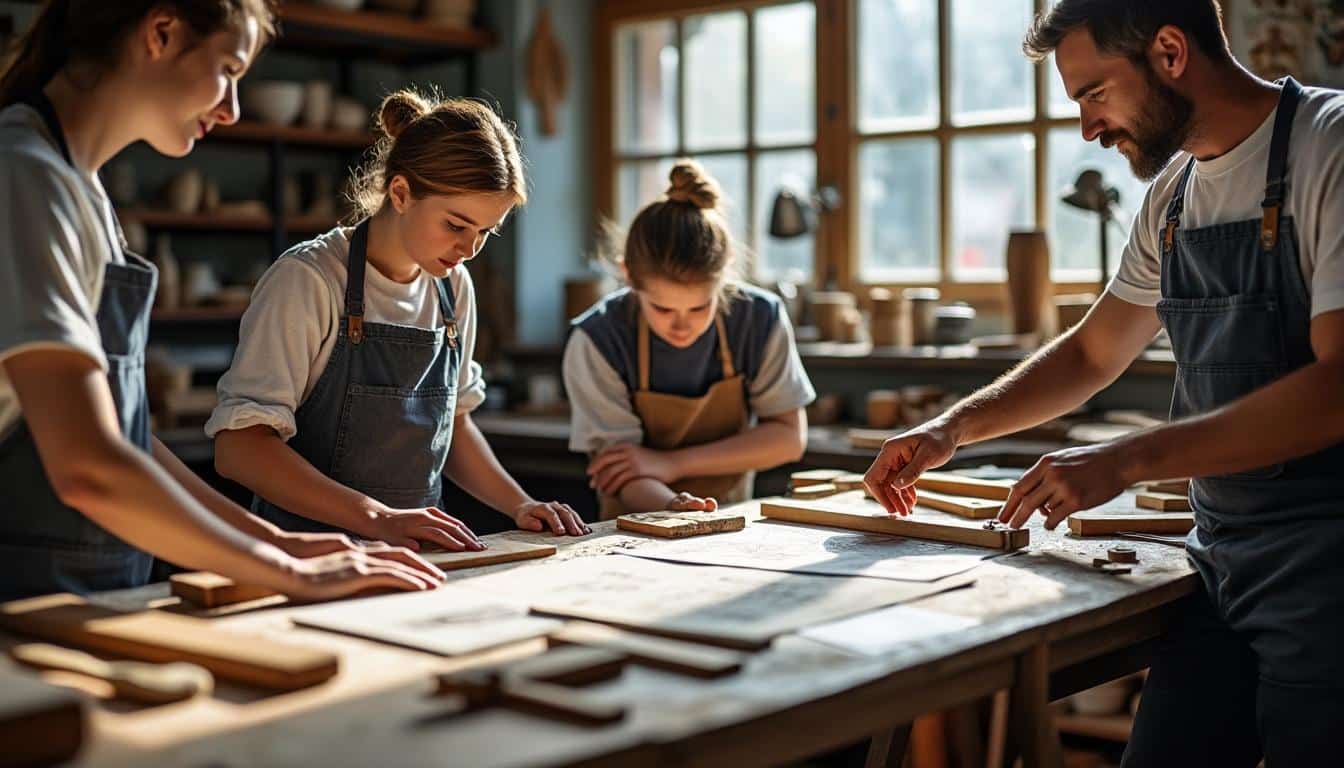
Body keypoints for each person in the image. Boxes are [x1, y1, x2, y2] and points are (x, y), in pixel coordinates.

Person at [863, 2, 1344, 765]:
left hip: (1327, 564)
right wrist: (951, 427)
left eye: (1094, 94)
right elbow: (1092, 353)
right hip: (1219, 558)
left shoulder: (1330, 146)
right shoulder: (1175, 194)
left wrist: (1125, 459)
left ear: (1170, 52)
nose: (1088, 128)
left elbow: (1335, 389)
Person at [0, 0, 446, 602]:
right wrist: (289, 574)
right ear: (160, 33)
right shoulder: (24, 176)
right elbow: (89, 467)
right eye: (229, 70)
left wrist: (282, 544)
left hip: (81, 594)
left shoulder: (80, 190)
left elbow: (127, 443)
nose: (232, 109)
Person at [209, 89, 590, 549]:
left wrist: (520, 504)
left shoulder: (453, 287)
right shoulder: (309, 279)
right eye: (456, 225)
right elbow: (240, 449)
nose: (469, 249)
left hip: (418, 556)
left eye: (485, 232)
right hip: (310, 557)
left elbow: (454, 426)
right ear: (401, 193)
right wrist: (378, 517)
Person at [564, 160, 815, 518]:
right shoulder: (598, 340)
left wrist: (671, 464)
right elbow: (621, 470)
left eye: (699, 308)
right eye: (662, 309)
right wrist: (675, 509)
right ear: (628, 276)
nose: (681, 326)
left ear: (725, 275)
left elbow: (788, 439)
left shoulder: (759, 318)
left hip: (731, 516)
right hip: (638, 520)